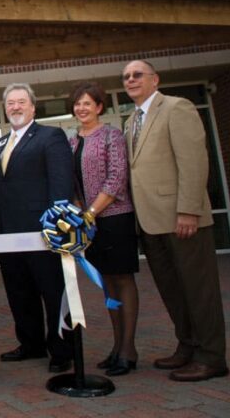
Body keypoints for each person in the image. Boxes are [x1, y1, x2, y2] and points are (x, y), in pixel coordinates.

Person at [122, 60, 228, 382]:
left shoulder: (176, 108)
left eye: (137, 74)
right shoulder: (131, 121)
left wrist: (189, 210)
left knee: (199, 290)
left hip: (181, 219)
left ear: (155, 79)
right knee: (172, 290)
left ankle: (211, 358)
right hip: (150, 222)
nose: (130, 80)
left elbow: (194, 161)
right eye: (126, 77)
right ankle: (188, 345)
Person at [0, 83, 74, 374]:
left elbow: (61, 184)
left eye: (21, 102)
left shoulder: (50, 137)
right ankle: (31, 344)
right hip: (8, 236)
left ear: (33, 107)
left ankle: (63, 350)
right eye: (10, 103)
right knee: (19, 292)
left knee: (53, 292)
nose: (15, 107)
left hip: (43, 234)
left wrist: (56, 226)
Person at [68, 81, 139, 376]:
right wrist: (79, 213)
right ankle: (115, 347)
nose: (82, 108)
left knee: (122, 279)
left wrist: (92, 212)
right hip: (89, 223)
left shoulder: (111, 135)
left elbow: (116, 177)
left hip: (115, 218)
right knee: (106, 282)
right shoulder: (70, 142)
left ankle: (128, 349)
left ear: (99, 107)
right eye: (78, 104)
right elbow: (71, 182)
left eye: (88, 103)